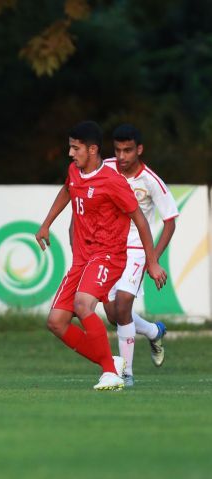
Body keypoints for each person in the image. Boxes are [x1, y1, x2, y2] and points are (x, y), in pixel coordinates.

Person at [35, 121, 167, 391]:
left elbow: (141, 221)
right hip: (83, 258)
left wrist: (152, 262)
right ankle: (111, 363)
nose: (70, 153)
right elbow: (67, 190)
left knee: (84, 305)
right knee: (56, 322)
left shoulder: (113, 181)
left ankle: (110, 372)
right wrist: (46, 223)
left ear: (92, 149)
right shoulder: (74, 171)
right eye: (70, 147)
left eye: (76, 148)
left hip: (108, 255)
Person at [102, 124, 178, 386]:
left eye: (128, 150)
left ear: (139, 149)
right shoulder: (105, 168)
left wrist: (152, 259)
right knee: (114, 315)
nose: (122, 156)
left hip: (136, 250)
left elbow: (170, 221)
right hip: (107, 248)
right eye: (118, 150)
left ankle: (126, 374)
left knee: (124, 305)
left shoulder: (151, 181)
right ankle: (153, 331)